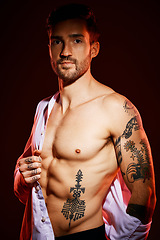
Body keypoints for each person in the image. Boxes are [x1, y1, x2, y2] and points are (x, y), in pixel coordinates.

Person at [14, 3, 156, 240]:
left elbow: (145, 196)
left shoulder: (115, 108)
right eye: (57, 41)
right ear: (49, 48)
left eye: (77, 40)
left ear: (94, 48)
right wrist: (22, 177)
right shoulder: (44, 109)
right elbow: (23, 188)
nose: (66, 51)